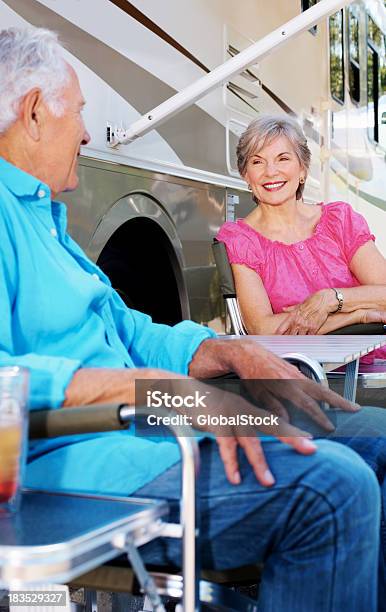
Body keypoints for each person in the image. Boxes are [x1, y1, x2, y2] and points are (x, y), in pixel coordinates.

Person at [0, 27, 383, 611]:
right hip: (87, 466)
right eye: (77, 114)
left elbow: (133, 332)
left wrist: (230, 353)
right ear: (32, 114)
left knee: (376, 441)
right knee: (333, 490)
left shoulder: (43, 221)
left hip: (151, 434)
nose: (83, 132)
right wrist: (170, 397)